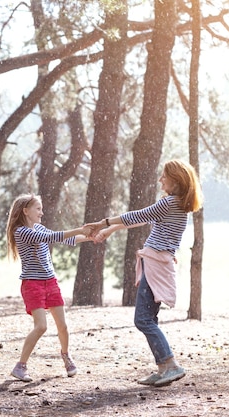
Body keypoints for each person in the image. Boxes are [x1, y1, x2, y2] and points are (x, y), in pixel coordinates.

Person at [87, 159, 203, 387]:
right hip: (158, 263)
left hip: (156, 265)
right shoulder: (178, 205)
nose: (161, 179)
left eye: (164, 176)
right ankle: (163, 369)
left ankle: (171, 365)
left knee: (142, 320)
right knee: (149, 319)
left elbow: (137, 216)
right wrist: (109, 230)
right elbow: (140, 219)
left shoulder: (170, 203)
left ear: (175, 179)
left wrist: (104, 222)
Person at [6, 193, 92, 382]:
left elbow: (65, 239)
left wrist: (90, 237)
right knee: (41, 326)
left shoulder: (38, 227)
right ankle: (20, 367)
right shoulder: (22, 232)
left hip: (50, 281)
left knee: (63, 325)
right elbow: (52, 236)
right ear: (25, 211)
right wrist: (81, 229)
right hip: (32, 284)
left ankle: (66, 356)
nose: (41, 213)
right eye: (38, 209)